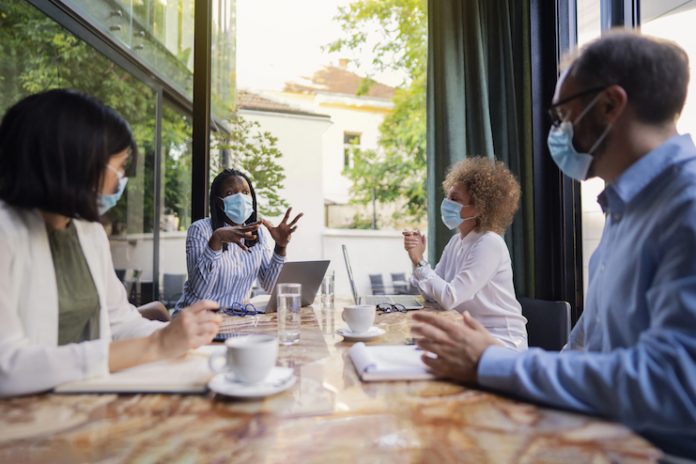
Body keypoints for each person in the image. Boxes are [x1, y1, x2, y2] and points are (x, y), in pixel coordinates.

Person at [411, 31, 696, 458]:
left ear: (609, 105)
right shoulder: (625, 210)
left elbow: (677, 387)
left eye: (564, 113)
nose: (558, 130)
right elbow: (585, 346)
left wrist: (493, 363)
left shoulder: (685, 208)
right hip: (598, 436)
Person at [0, 89, 221, 397]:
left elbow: (119, 322)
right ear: (75, 162)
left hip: (85, 405)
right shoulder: (6, 234)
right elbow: (7, 367)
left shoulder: (87, 233)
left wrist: (179, 334)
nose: (121, 180)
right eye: (119, 166)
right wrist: (156, 344)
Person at [403, 156, 527, 349]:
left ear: (478, 208)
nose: (447, 203)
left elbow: (449, 298)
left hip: (502, 343)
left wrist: (421, 262)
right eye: (448, 196)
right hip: (471, 338)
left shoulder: (489, 244)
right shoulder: (456, 242)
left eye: (455, 199)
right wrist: (415, 259)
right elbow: (430, 293)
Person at [173, 169, 302, 313]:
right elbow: (200, 291)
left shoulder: (257, 232)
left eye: (245, 192)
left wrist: (280, 246)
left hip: (236, 321)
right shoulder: (199, 230)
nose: (240, 198)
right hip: (195, 321)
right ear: (220, 203)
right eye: (230, 193)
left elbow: (270, 287)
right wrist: (216, 240)